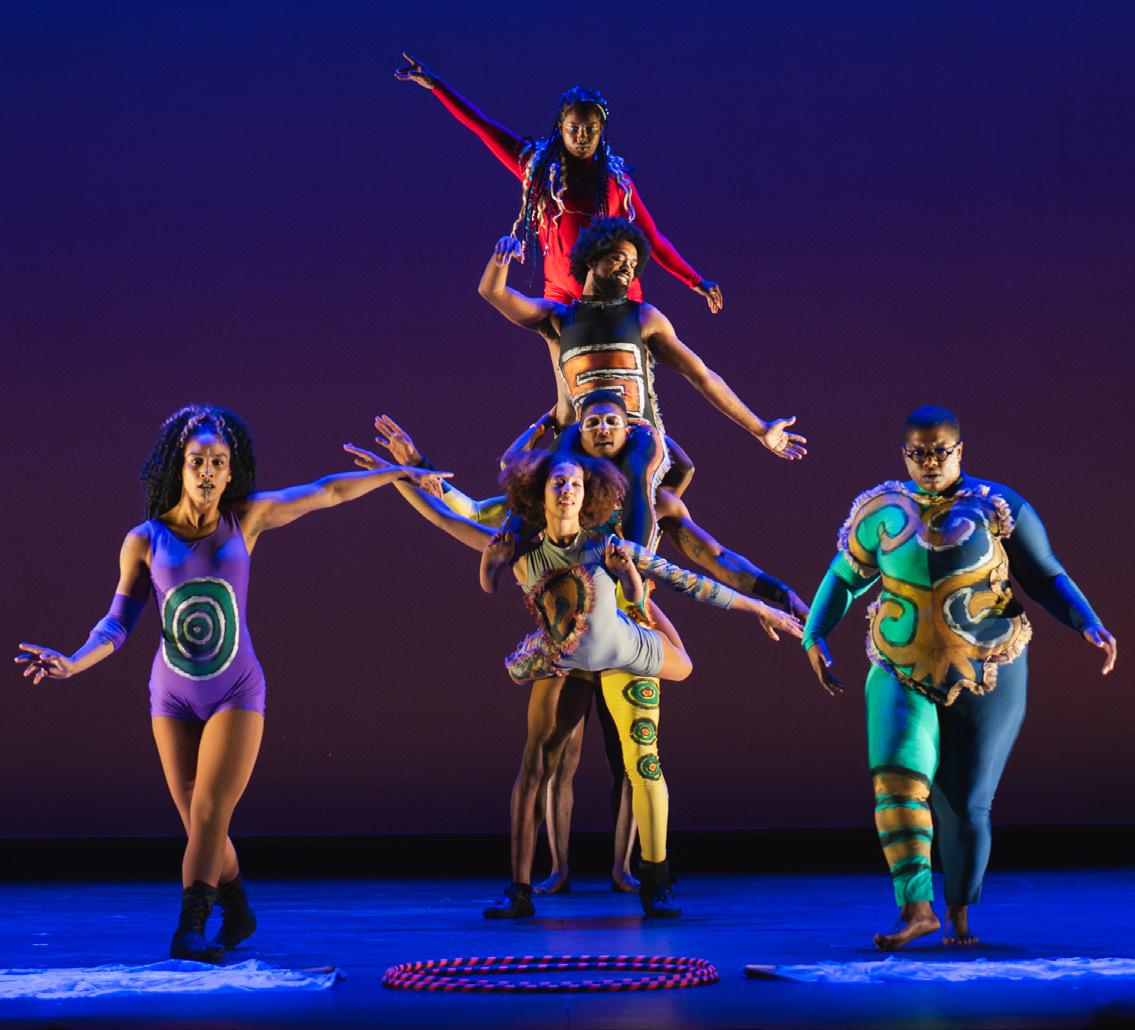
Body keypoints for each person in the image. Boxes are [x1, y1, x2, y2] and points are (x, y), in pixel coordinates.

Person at [15, 404, 444, 963]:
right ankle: (237, 911)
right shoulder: (144, 539)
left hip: (236, 691)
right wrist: (74, 662)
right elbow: (117, 622)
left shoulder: (247, 518)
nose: (208, 472)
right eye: (198, 461)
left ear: (230, 469)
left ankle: (189, 928)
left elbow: (328, 492)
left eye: (218, 462)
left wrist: (399, 473)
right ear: (179, 465)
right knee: (200, 824)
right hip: (171, 696)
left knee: (210, 813)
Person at [345, 441, 801, 918]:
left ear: (589, 496)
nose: (567, 490)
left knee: (669, 701)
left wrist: (760, 608)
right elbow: (445, 518)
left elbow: (689, 581)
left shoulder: (608, 547)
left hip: (626, 650)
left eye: (576, 484)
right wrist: (396, 476)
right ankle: (520, 891)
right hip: (564, 657)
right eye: (558, 483)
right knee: (535, 764)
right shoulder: (520, 551)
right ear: (538, 494)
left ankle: (655, 880)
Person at [801, 405, 1117, 951]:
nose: (929, 463)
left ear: (959, 451)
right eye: (918, 454)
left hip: (988, 668)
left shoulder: (998, 506)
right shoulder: (880, 510)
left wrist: (1086, 620)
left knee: (965, 806)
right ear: (904, 454)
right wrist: (815, 633)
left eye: (940, 453)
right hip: (899, 666)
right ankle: (916, 909)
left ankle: (959, 910)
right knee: (897, 781)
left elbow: (1045, 576)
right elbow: (844, 577)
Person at [479, 218, 806, 546]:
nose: (627, 268)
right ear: (591, 260)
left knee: (635, 471)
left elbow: (702, 375)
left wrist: (760, 428)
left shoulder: (643, 318)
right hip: (584, 437)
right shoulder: (558, 318)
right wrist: (501, 257)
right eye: (617, 258)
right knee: (541, 486)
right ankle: (505, 553)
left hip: (637, 433)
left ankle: (636, 562)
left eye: (633, 264)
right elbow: (492, 292)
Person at [394, 53, 724, 313]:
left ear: (601, 131)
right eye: (573, 129)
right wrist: (437, 86)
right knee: (569, 374)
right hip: (559, 293)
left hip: (614, 294)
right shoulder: (537, 167)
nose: (581, 136)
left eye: (590, 130)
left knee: (631, 369)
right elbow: (483, 126)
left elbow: (651, 237)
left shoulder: (615, 182)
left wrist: (696, 281)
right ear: (561, 128)